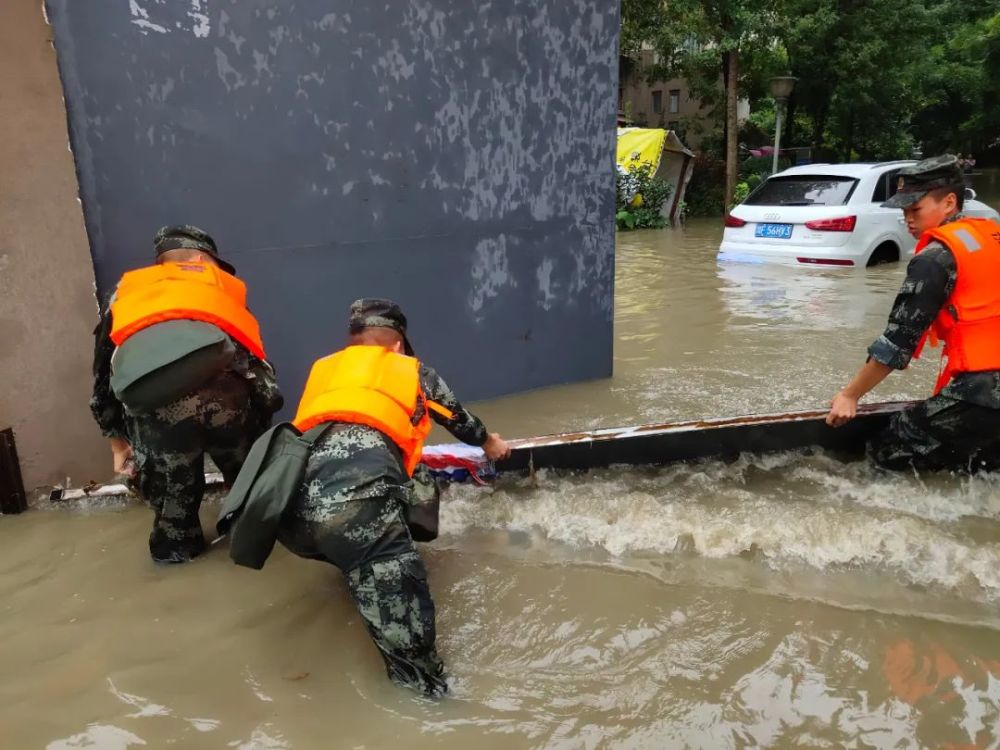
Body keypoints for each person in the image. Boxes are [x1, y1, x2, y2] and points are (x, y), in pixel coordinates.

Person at [262, 298, 509, 696]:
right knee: (417, 672)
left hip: (287, 517)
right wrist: (491, 444)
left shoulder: (326, 371)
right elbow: (459, 420)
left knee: (404, 480)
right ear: (397, 346)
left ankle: (356, 565)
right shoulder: (410, 371)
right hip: (354, 514)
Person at [90, 225, 282, 563]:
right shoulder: (220, 290)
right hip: (231, 407)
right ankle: (251, 548)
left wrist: (117, 442)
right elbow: (259, 369)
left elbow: (105, 376)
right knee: (248, 489)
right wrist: (262, 428)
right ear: (199, 259)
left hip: (158, 413)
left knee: (173, 508)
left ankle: (176, 564)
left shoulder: (124, 296)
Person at [826, 155, 1000, 472]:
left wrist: (849, 396)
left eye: (915, 208)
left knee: (887, 448)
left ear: (949, 202)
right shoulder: (991, 236)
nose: (907, 218)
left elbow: (897, 342)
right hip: (986, 392)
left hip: (985, 391)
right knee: (981, 463)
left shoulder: (936, 257)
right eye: (904, 210)